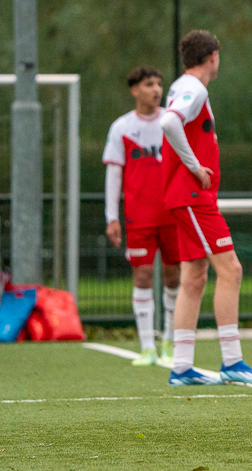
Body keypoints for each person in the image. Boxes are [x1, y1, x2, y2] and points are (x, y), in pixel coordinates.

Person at [160, 30, 252, 386]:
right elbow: (169, 122)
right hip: (193, 196)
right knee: (232, 270)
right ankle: (232, 362)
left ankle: (181, 367)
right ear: (212, 57)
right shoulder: (194, 88)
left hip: (186, 198)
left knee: (195, 276)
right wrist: (194, 166)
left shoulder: (181, 86)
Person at [102, 67, 181, 366]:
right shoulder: (122, 127)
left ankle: (170, 344)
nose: (156, 89)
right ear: (135, 90)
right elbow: (113, 173)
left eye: (159, 84)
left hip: (173, 213)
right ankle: (147, 347)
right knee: (143, 275)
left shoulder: (172, 122)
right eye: (149, 84)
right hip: (139, 217)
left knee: (175, 276)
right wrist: (112, 216)